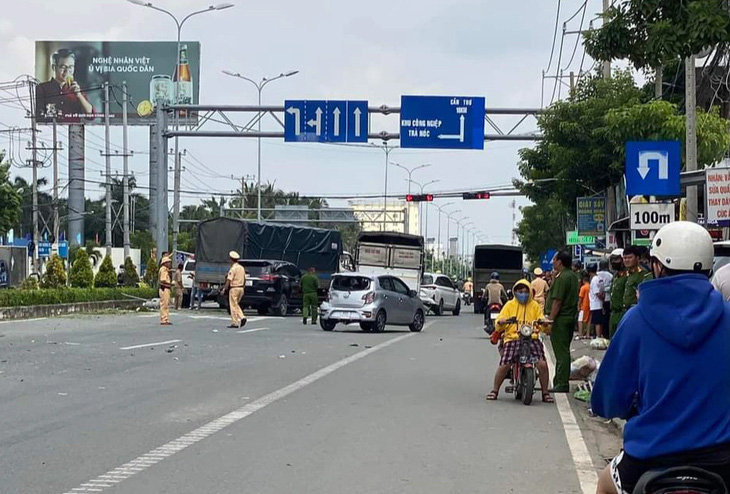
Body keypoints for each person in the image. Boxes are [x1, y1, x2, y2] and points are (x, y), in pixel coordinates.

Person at [592, 222, 730, 494]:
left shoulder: (636, 320)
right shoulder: (727, 316)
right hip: (722, 458)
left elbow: (608, 398)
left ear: (657, 266)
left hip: (649, 456)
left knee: (605, 485)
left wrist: (617, 407)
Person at [486, 279, 554, 403]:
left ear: (530, 292)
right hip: (513, 338)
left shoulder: (534, 306)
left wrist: (544, 322)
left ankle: (545, 392)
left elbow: (541, 319)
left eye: (525, 291)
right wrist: (501, 321)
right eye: (520, 291)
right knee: (505, 364)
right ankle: (495, 390)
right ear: (515, 292)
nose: (523, 294)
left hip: (531, 338)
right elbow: (500, 320)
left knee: (542, 364)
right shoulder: (509, 305)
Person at [545, 250, 579, 393]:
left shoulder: (563, 277)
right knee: (563, 350)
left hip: (561, 319)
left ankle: (561, 383)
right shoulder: (571, 276)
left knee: (561, 352)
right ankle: (559, 380)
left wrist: (551, 320)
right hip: (569, 317)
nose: (552, 262)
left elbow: (557, 301)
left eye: (554, 260)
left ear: (559, 262)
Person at [35, 48, 93, 123]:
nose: (67, 71)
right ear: (54, 67)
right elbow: (38, 118)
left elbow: (91, 115)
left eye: (71, 67)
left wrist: (79, 95)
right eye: (63, 67)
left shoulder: (77, 89)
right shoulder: (41, 88)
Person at [621, 246, 653, 320]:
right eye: (625, 258)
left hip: (636, 313)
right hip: (624, 313)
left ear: (637, 258)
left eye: (630, 257)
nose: (627, 260)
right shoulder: (625, 274)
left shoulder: (643, 274)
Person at [221, 251, 246, 329]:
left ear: (231, 260)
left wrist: (224, 289)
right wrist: (243, 287)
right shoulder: (241, 268)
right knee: (235, 304)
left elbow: (229, 280)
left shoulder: (233, 269)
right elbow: (245, 279)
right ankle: (241, 317)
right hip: (241, 288)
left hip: (234, 288)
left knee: (233, 305)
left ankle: (235, 321)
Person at [608, 249, 626, 339]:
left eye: (616, 260)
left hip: (622, 313)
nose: (614, 262)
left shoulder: (627, 276)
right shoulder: (615, 277)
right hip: (613, 313)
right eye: (612, 260)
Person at [587, 263, 606, 338]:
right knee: (598, 321)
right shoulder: (599, 278)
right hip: (600, 303)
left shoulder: (594, 280)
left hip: (595, 303)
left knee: (597, 322)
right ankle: (598, 335)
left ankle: (598, 336)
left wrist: (601, 298)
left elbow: (597, 293)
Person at [597, 259, 614, 327]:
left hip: (597, 298)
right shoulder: (610, 275)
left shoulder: (597, 274)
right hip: (608, 298)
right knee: (607, 315)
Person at [158, 255, 173, 326]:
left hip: (165, 288)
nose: (170, 264)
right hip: (165, 288)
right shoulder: (163, 269)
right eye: (168, 262)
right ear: (165, 263)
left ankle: (165, 318)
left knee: (166, 304)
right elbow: (163, 280)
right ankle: (164, 319)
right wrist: (170, 283)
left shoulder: (165, 269)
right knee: (164, 305)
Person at [578, 273, 591, 339]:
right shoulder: (590, 286)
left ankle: (580, 334)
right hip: (590, 305)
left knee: (580, 320)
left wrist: (578, 305)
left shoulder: (583, 287)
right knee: (589, 320)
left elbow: (581, 297)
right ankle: (587, 334)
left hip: (583, 306)